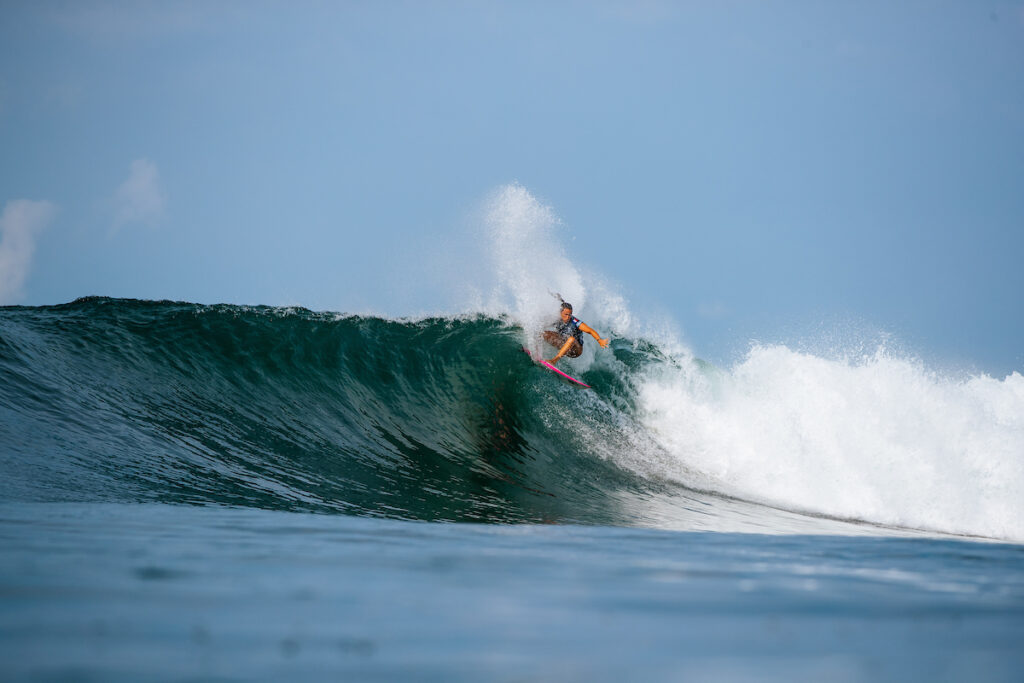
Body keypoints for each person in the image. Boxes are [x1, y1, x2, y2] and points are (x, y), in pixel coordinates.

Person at [543, 301, 610, 365]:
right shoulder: (556, 318)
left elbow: (590, 331)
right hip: (563, 343)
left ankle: (554, 360)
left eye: (570, 315)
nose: (568, 317)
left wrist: (599, 340)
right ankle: (536, 352)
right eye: (566, 314)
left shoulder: (575, 322)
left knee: (571, 339)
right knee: (542, 333)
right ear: (560, 312)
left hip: (575, 350)